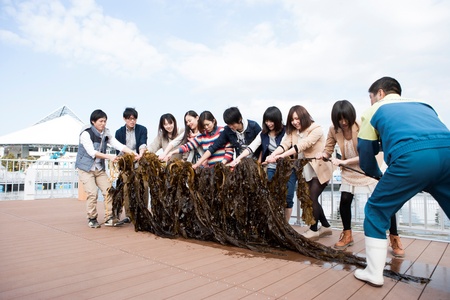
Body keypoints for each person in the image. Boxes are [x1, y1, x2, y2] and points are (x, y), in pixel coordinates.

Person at [354, 77, 450, 287]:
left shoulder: (374, 110)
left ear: (379, 93)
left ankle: (373, 272)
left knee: (375, 210)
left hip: (413, 158)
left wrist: (377, 174)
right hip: (447, 153)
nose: (371, 102)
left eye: (371, 97)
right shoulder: (424, 105)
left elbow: (366, 152)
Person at [316, 100, 404, 255]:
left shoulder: (362, 125)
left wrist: (343, 161)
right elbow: (328, 148)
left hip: (368, 167)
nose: (343, 122)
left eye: (345, 119)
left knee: (384, 202)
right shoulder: (333, 129)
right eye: (339, 119)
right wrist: (323, 155)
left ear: (351, 116)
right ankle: (347, 235)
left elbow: (367, 153)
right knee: (344, 200)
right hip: (349, 171)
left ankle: (394, 238)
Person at [265, 105, 333, 241]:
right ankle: (325, 226)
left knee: (310, 197)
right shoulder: (293, 132)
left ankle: (314, 229)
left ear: (304, 116)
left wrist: (282, 156)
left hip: (320, 169)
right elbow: (284, 144)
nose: (295, 122)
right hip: (305, 169)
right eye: (292, 119)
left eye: (297, 118)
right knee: (311, 198)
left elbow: (303, 145)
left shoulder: (316, 129)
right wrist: (272, 155)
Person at [230, 106, 296, 222]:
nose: (269, 123)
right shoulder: (263, 134)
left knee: (288, 197)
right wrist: (238, 158)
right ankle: (276, 223)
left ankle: (286, 225)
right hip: (271, 167)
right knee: (272, 195)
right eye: (266, 121)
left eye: (271, 121)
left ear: (278, 120)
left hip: (288, 168)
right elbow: (252, 147)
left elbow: (286, 147)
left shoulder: (287, 131)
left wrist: (274, 156)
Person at [75, 109, 136, 228]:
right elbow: (92, 152)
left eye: (105, 121)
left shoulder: (106, 133)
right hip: (85, 169)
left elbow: (118, 144)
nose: (103, 123)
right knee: (92, 193)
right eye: (100, 121)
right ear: (93, 122)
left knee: (109, 191)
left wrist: (133, 154)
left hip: (99, 168)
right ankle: (92, 218)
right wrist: (109, 157)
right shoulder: (86, 133)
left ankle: (109, 217)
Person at [192, 107, 261, 169]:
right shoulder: (228, 130)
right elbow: (214, 147)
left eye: (232, 124)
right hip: (240, 163)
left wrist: (259, 162)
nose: (231, 126)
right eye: (228, 124)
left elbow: (262, 145)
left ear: (240, 120)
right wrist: (198, 163)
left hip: (255, 160)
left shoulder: (254, 126)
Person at [115, 107, 148, 224]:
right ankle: (129, 215)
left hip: (139, 159)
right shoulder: (119, 132)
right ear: (124, 119)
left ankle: (143, 212)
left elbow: (143, 143)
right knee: (126, 187)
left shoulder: (142, 129)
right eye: (129, 119)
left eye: (134, 119)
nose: (132, 121)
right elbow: (119, 150)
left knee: (144, 184)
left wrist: (140, 154)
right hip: (126, 162)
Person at [165, 111, 234, 166]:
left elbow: (230, 150)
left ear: (213, 121)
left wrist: (222, 163)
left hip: (226, 167)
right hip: (212, 171)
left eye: (208, 124)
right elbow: (188, 146)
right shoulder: (202, 135)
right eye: (204, 125)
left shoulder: (223, 131)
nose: (206, 127)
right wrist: (172, 152)